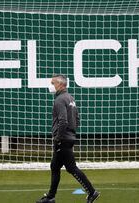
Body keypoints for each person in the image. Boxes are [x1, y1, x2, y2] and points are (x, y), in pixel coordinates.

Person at [36, 74, 100, 203]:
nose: (51, 86)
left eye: (52, 83)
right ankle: (50, 197)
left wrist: (59, 137)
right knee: (55, 166)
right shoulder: (70, 98)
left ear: (60, 84)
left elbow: (63, 121)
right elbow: (77, 119)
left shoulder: (60, 99)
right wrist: (71, 133)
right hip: (69, 137)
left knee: (71, 168)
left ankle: (92, 192)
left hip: (63, 139)